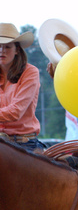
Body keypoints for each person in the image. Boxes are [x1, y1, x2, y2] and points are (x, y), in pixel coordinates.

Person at [0, 23, 45, 152]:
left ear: (17, 50)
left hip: (24, 144)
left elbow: (15, 111)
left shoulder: (30, 72)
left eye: (7, 47)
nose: (2, 50)